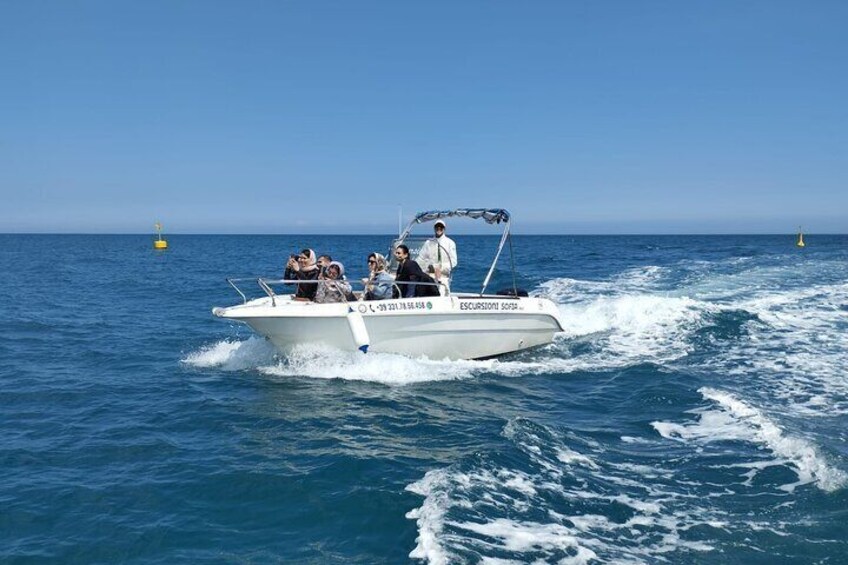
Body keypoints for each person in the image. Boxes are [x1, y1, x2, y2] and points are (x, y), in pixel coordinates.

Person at [416, 219, 457, 294]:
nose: (439, 229)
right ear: (434, 228)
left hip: (443, 276)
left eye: (441, 227)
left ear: (444, 229)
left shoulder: (450, 243)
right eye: (437, 227)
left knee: (441, 296)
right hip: (429, 275)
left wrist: (439, 267)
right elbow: (421, 258)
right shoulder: (428, 242)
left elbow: (453, 262)